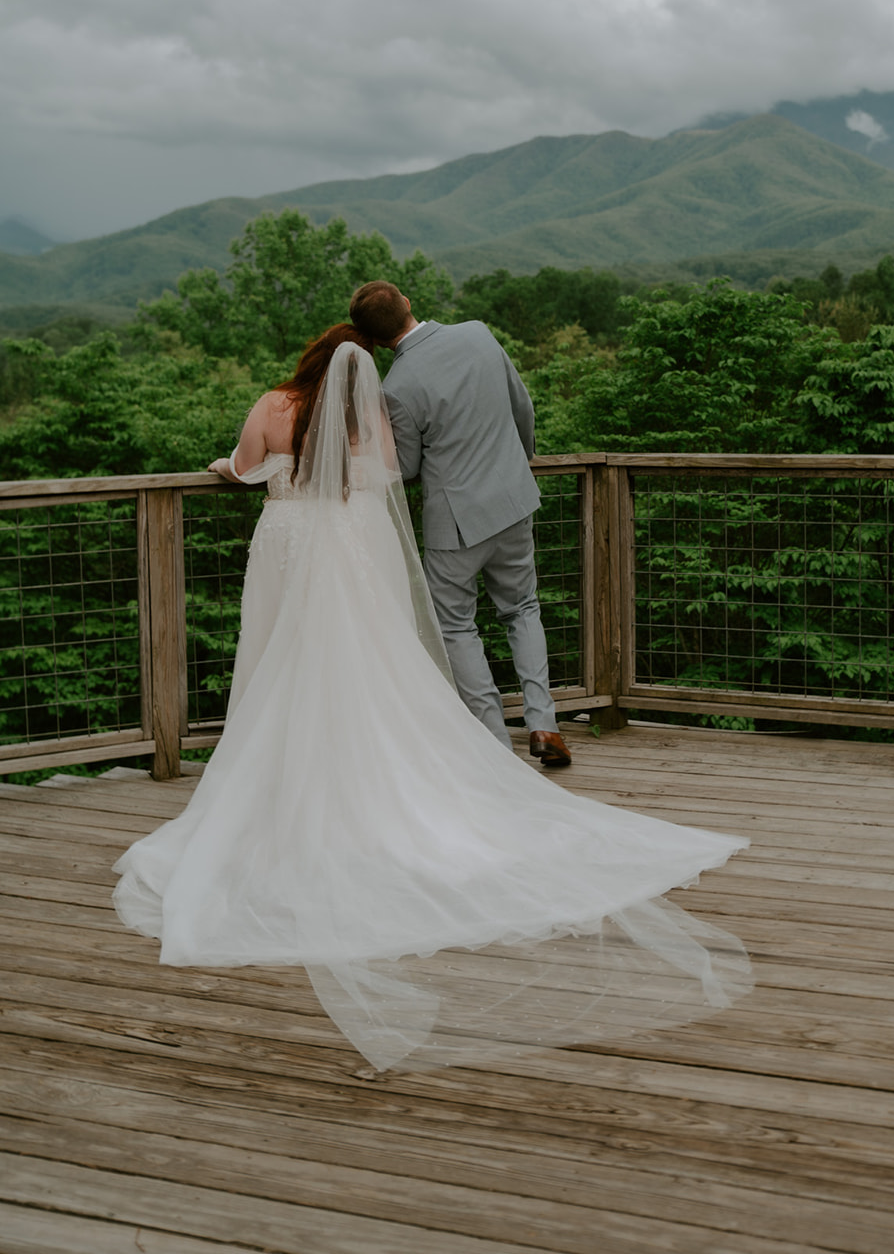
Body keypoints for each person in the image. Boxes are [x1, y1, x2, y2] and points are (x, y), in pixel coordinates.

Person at [112, 325, 751, 1075]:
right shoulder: (365, 414)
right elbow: (386, 476)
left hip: (287, 543)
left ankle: (292, 778)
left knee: (282, 663)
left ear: (308, 357)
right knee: (368, 665)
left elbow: (247, 467)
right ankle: (389, 774)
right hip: (349, 545)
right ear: (358, 369)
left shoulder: (273, 402)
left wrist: (229, 465)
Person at [348, 280, 570, 766]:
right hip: (513, 503)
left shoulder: (396, 389)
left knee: (456, 626)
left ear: (375, 340)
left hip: (456, 525)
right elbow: (523, 408)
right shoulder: (478, 334)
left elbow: (405, 467)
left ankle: (494, 743)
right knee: (523, 609)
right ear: (406, 302)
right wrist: (518, 465)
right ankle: (544, 727)